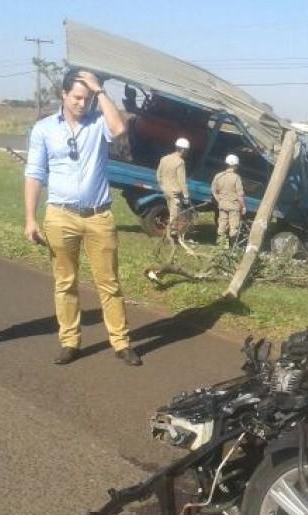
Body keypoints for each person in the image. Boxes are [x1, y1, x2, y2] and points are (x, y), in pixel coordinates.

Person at [24, 68, 141, 366]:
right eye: (77, 97)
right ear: (63, 95)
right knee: (65, 282)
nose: (81, 103)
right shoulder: (44, 129)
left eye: (87, 98)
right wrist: (30, 218)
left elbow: (118, 130)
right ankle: (70, 341)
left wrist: (99, 90)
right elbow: (35, 174)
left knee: (109, 283)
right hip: (60, 216)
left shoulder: (99, 122)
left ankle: (121, 342)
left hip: (99, 216)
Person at [156, 137, 191, 236]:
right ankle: (172, 233)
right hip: (175, 192)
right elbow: (182, 181)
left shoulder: (164, 158)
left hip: (166, 190)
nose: (187, 153)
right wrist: (186, 196)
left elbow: (158, 175)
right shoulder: (180, 162)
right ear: (183, 150)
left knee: (171, 211)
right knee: (174, 214)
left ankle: (171, 232)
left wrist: (162, 186)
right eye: (187, 151)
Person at [210, 154, 246, 246]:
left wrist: (219, 200)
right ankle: (233, 246)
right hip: (234, 206)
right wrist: (243, 206)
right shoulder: (236, 177)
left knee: (222, 226)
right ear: (235, 165)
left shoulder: (218, 176)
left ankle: (221, 246)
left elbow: (213, 190)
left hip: (222, 205)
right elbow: (240, 195)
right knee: (234, 228)